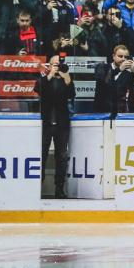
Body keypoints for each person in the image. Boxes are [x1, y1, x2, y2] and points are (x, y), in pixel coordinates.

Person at [37, 53, 75, 199]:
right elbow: (39, 90)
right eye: (55, 64)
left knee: (62, 156)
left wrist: (66, 78)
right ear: (49, 65)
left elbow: (72, 94)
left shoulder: (66, 78)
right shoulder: (44, 79)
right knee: (41, 155)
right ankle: (38, 186)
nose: (58, 67)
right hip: (46, 123)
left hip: (61, 124)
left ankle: (59, 188)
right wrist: (50, 75)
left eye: (59, 65)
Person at [93, 45, 134, 114]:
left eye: (126, 57)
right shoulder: (102, 67)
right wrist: (119, 69)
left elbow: (132, 89)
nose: (123, 59)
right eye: (120, 56)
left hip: (120, 112)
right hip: (102, 111)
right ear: (113, 56)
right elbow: (105, 83)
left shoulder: (127, 73)